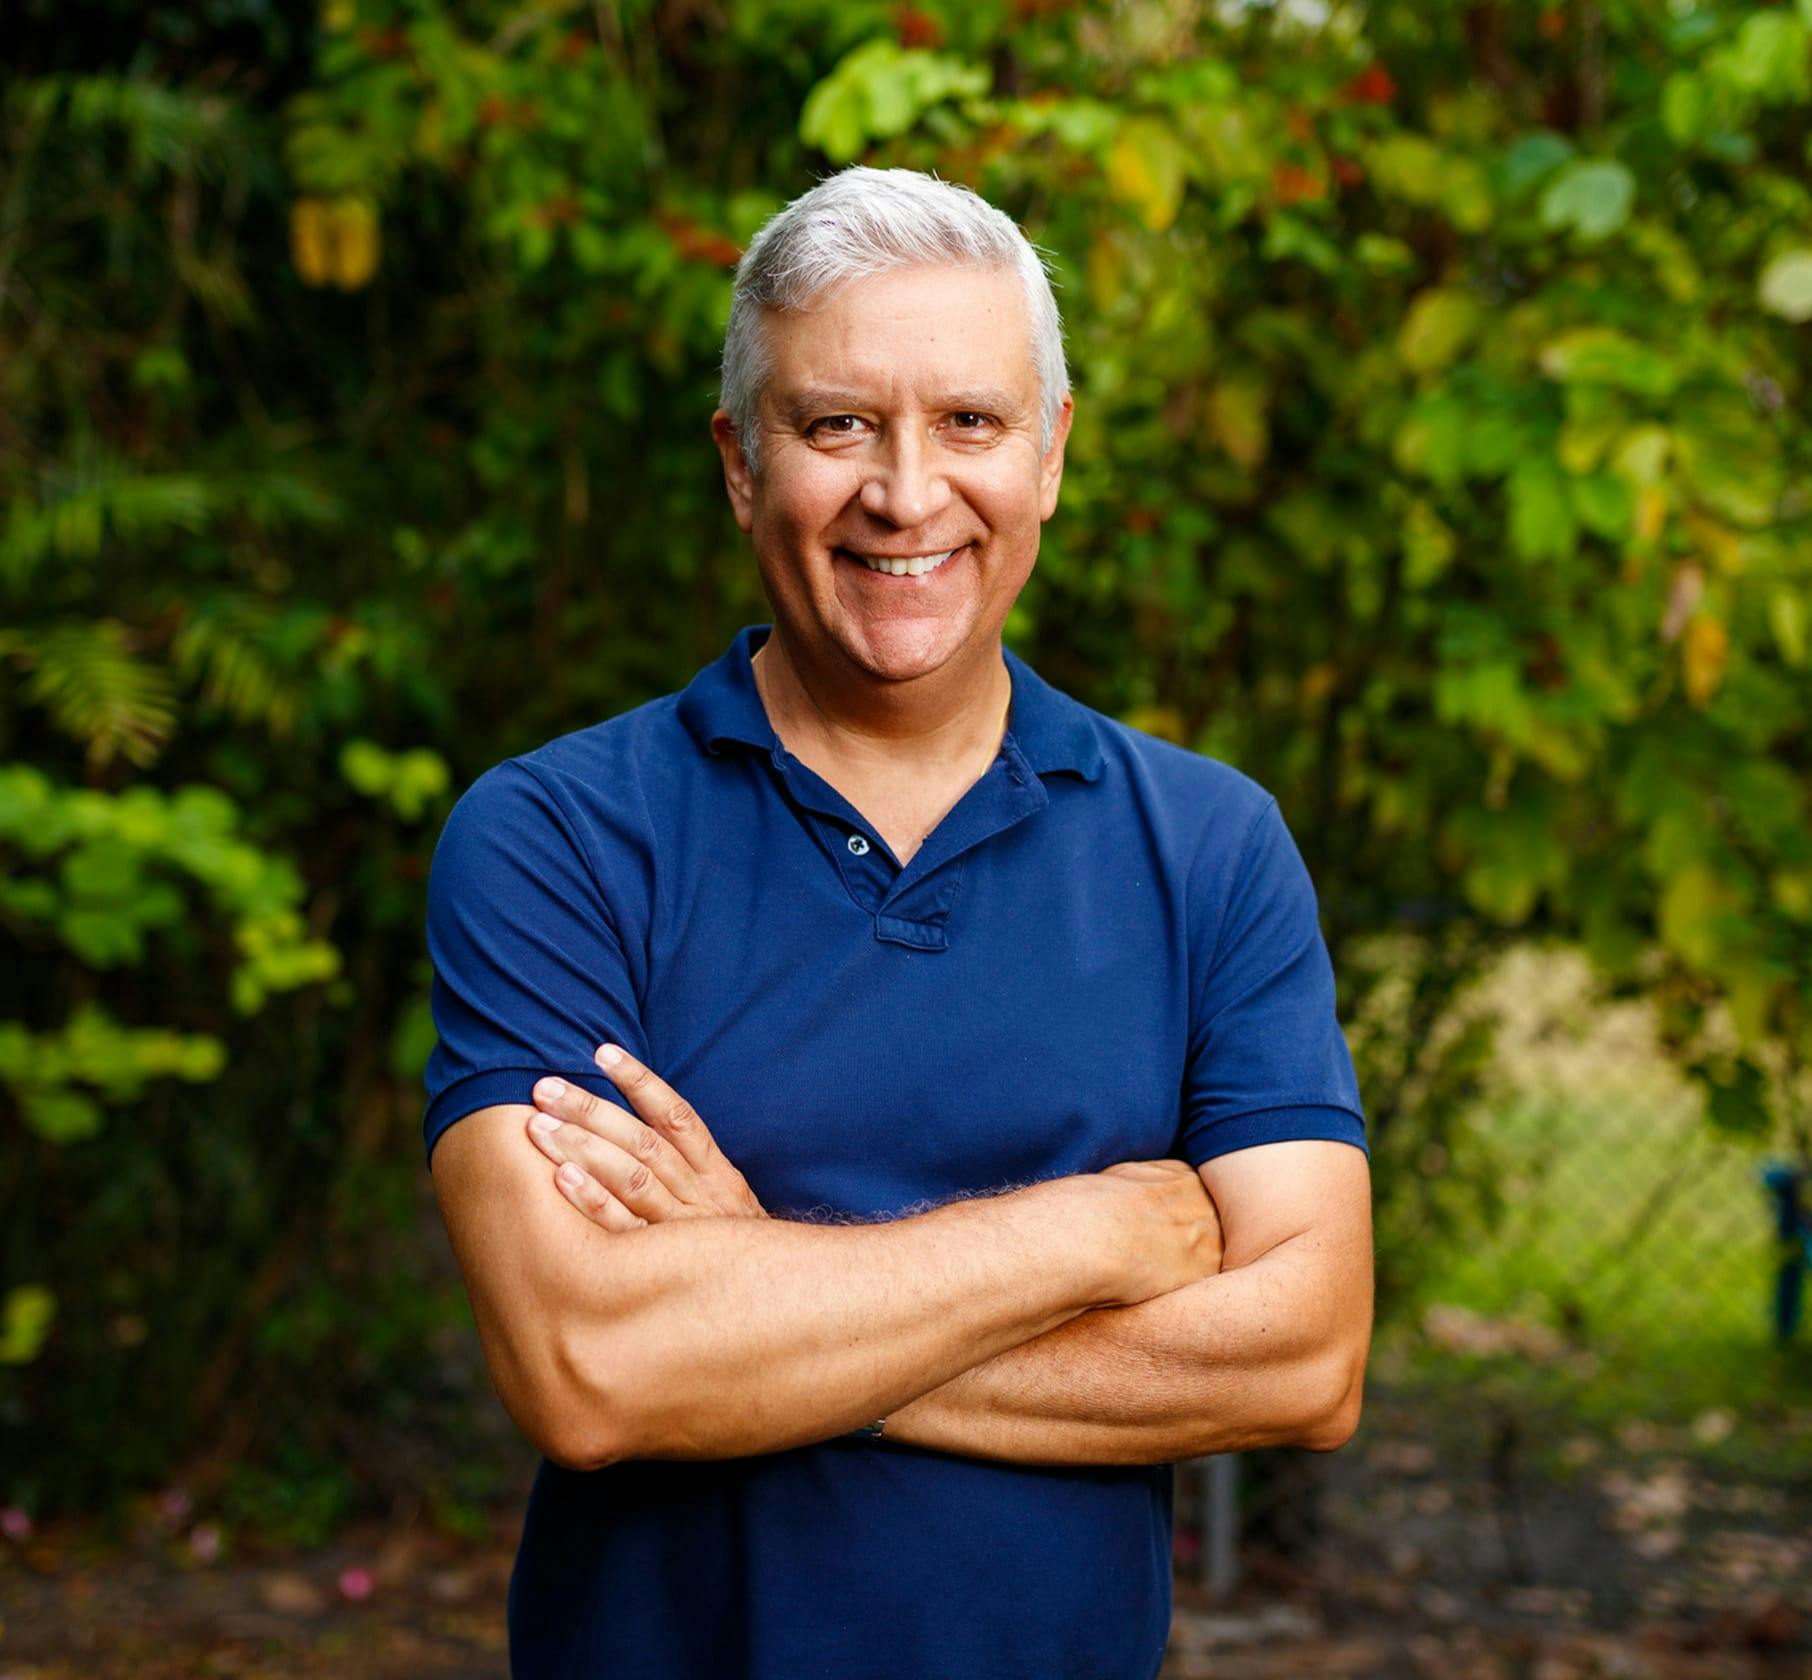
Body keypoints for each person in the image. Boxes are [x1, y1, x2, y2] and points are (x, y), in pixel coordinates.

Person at [423, 165, 1373, 1680]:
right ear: (743, 464)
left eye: (971, 424)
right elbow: (590, 1366)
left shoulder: (1208, 847)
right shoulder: (557, 839)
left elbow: (1307, 1357)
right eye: (838, 424)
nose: (907, 492)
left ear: (1052, 457)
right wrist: (1103, 1228)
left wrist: (745, 1304)